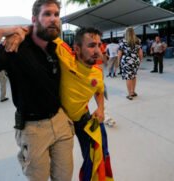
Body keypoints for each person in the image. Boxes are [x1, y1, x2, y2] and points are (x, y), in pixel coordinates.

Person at [0, 0, 74, 180]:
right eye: (47, 14)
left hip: (61, 121)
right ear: (34, 19)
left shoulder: (57, 47)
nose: (54, 19)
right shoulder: (14, 47)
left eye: (56, 14)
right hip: (33, 129)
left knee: (64, 177)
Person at [57, 27, 113, 180]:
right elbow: (42, 29)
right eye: (91, 45)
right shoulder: (65, 56)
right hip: (60, 120)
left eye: (99, 45)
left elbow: (99, 90)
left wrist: (101, 109)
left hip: (82, 117)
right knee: (61, 166)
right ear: (77, 48)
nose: (97, 50)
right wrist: (15, 33)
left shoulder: (97, 72)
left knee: (93, 156)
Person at [118, 27, 143, 100]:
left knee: (128, 77)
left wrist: (118, 62)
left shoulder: (122, 41)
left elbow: (119, 53)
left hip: (126, 61)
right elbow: (140, 52)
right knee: (134, 76)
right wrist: (140, 60)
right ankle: (133, 92)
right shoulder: (137, 40)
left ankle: (129, 94)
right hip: (135, 60)